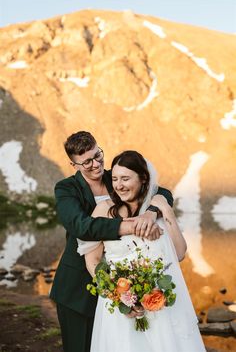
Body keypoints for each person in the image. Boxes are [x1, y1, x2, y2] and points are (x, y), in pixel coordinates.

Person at [49, 131, 173, 352]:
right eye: (86, 162)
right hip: (78, 286)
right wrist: (127, 225)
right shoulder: (66, 189)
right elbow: (81, 226)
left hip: (122, 282)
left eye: (98, 155)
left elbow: (161, 191)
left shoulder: (115, 177)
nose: (96, 164)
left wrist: (152, 212)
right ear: (74, 164)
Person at [78, 150, 206, 352]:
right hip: (119, 308)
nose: (119, 185)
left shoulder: (156, 208)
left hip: (159, 305)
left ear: (143, 178)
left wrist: (165, 209)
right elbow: (92, 261)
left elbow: (179, 252)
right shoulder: (104, 210)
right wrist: (117, 296)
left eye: (126, 178)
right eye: (115, 179)